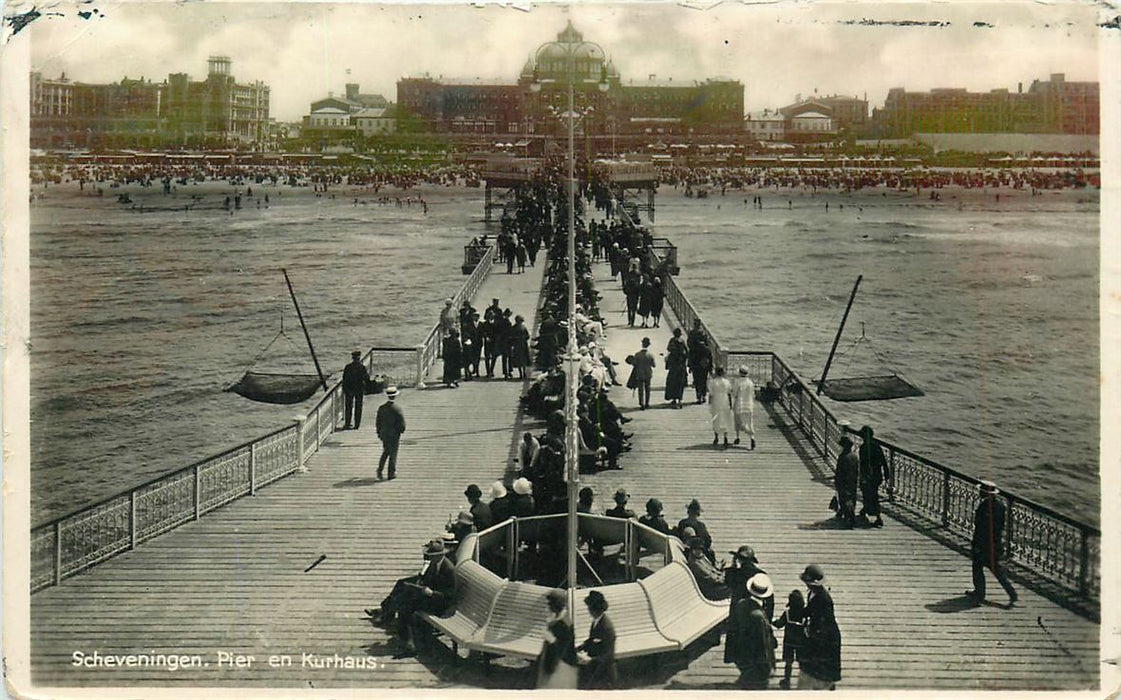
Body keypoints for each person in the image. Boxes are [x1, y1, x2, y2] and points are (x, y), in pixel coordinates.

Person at [364, 538, 456, 658]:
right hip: (430, 597)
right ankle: (407, 641)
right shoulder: (434, 563)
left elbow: (449, 595)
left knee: (405, 604)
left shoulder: (448, 569)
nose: (428, 558)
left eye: (431, 556)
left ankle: (389, 616)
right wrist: (420, 583)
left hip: (441, 605)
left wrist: (432, 593)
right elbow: (427, 579)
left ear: (439, 555)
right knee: (404, 590)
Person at [966, 480, 1018, 606]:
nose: (979, 493)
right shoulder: (1000, 506)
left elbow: (982, 528)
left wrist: (977, 545)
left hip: (983, 544)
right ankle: (1011, 593)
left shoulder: (985, 507)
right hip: (995, 543)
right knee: (996, 570)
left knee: (977, 568)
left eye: (981, 491)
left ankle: (979, 593)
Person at [726, 573, 776, 689]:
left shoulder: (741, 604)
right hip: (756, 664)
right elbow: (763, 644)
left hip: (743, 656)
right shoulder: (758, 616)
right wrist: (769, 667)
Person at [798, 564, 842, 690]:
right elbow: (810, 610)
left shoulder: (824, 599)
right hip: (817, 630)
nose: (807, 585)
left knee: (824, 667)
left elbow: (825, 623)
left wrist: (811, 635)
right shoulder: (812, 593)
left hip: (827, 635)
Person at [537, 589, 578, 688]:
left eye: (549, 605)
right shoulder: (558, 618)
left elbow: (564, 649)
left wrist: (551, 639)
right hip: (552, 662)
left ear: (556, 605)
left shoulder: (565, 624)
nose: (547, 608)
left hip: (561, 667)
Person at [577, 590, 617, 689]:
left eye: (589, 608)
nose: (588, 610)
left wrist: (590, 660)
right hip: (595, 670)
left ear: (594, 609)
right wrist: (578, 648)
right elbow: (591, 640)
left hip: (604, 675)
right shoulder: (596, 621)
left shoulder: (607, 627)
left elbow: (609, 656)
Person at [773, 589, 808, 689]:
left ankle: (787, 679)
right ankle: (804, 678)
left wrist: (773, 622)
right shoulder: (804, 613)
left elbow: (779, 624)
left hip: (789, 641)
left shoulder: (787, 613)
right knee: (802, 661)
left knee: (788, 661)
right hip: (801, 641)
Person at [858, 425, 890, 527]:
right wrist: (886, 474)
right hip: (876, 475)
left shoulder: (863, 447)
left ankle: (878, 517)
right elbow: (884, 461)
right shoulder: (877, 446)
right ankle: (868, 510)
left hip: (867, 476)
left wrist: (861, 476)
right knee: (873, 494)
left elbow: (862, 464)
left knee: (868, 494)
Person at [375, 387, 406, 480]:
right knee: (393, 453)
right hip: (394, 434)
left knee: (386, 451)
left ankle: (380, 470)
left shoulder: (381, 408)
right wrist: (401, 430)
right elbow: (401, 423)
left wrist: (379, 432)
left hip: (384, 433)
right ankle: (391, 472)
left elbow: (378, 422)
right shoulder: (397, 409)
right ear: (395, 396)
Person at [834, 436, 859, 527]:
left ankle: (849, 516)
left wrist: (837, 481)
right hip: (852, 480)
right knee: (851, 497)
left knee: (844, 498)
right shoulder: (854, 456)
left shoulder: (842, 456)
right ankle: (848, 514)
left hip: (843, 481)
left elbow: (839, 471)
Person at [342, 350, 370, 430]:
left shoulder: (348, 367)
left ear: (352, 358)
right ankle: (357, 424)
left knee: (348, 407)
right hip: (359, 389)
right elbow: (366, 378)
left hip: (349, 390)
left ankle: (347, 423)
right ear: (359, 358)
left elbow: (345, 379)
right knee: (358, 407)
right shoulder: (362, 367)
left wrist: (345, 389)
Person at [626, 337, 657, 410]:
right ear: (648, 345)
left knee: (641, 389)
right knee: (648, 388)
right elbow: (654, 365)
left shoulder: (637, 354)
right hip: (648, 374)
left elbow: (634, 364)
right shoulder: (651, 355)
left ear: (642, 344)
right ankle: (647, 403)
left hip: (639, 374)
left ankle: (641, 403)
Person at [708, 366, 734, 449]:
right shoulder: (727, 382)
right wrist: (730, 403)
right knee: (725, 418)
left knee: (716, 418)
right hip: (725, 400)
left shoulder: (713, 382)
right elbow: (729, 393)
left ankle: (716, 437)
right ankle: (725, 437)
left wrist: (710, 402)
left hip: (716, 400)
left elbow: (711, 394)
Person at [687, 319, 712, 403]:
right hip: (704, 364)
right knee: (704, 380)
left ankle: (699, 396)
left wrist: (689, 365)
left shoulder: (691, 334)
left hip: (695, 362)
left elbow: (689, 346)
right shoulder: (704, 335)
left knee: (697, 380)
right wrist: (710, 367)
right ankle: (704, 395)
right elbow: (709, 354)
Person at [732, 366, 756, 449]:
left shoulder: (737, 382)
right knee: (749, 422)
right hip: (749, 404)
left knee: (738, 422)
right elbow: (753, 394)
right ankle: (752, 437)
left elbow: (734, 394)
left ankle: (738, 437)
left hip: (740, 404)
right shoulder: (750, 382)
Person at [664, 328, 689, 409]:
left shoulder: (672, 341)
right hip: (681, 366)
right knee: (680, 383)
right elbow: (687, 352)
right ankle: (680, 400)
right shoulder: (682, 341)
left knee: (672, 382)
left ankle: (674, 399)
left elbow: (668, 349)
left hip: (674, 366)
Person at [508, 314, 531, 380]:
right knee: (522, 360)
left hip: (518, 346)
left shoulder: (514, 328)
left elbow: (511, 337)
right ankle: (523, 373)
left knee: (519, 360)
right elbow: (527, 336)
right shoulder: (523, 327)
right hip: (522, 345)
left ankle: (521, 373)